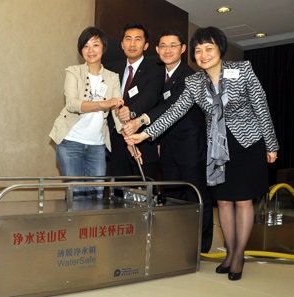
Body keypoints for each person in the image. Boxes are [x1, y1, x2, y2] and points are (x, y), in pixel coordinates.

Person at [125, 26, 278, 281]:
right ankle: (229, 253)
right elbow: (175, 111)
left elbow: (261, 106)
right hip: (217, 148)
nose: (204, 54)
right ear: (193, 56)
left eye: (209, 48)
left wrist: (271, 145)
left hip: (247, 143)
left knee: (242, 200)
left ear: (219, 49)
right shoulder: (195, 82)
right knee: (224, 201)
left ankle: (238, 255)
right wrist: (145, 134)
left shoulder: (242, 70)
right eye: (198, 51)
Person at [123, 29, 212, 253]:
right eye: (163, 45)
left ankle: (201, 246)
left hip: (191, 144)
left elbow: (171, 106)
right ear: (156, 49)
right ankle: (176, 242)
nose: (167, 50)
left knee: (195, 193)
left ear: (183, 49)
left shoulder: (191, 76)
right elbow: (155, 102)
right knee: (173, 194)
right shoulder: (160, 75)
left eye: (173, 45)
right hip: (168, 143)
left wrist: (141, 122)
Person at [49, 27, 123, 199]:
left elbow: (116, 110)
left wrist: (129, 137)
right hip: (70, 142)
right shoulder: (74, 72)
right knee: (77, 196)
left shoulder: (112, 77)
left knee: (96, 197)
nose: (90, 50)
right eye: (86, 46)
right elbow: (73, 104)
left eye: (95, 45)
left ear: (103, 47)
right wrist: (103, 103)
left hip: (97, 146)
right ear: (81, 49)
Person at [107, 23, 163, 180]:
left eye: (137, 40)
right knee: (118, 191)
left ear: (145, 45)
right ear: (122, 44)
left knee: (145, 191)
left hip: (143, 137)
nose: (132, 44)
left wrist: (131, 111)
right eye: (128, 39)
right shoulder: (112, 69)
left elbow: (151, 96)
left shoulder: (156, 67)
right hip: (116, 139)